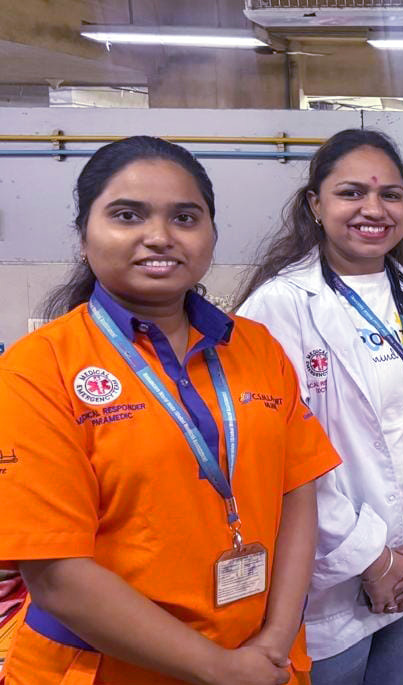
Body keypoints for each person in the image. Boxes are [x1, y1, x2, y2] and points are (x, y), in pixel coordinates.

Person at [0, 136, 340, 684]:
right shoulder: (39, 370)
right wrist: (221, 670)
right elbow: (56, 573)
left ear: (210, 234)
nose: (159, 237)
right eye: (127, 215)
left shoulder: (256, 348)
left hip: (260, 658)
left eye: (185, 217)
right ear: (84, 235)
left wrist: (274, 641)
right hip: (109, 668)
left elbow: (297, 492)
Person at [235, 128, 403, 685]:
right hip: (330, 581)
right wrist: (371, 557)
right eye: (351, 193)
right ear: (314, 205)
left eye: (390, 195)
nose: (374, 209)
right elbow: (278, 454)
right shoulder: (278, 307)